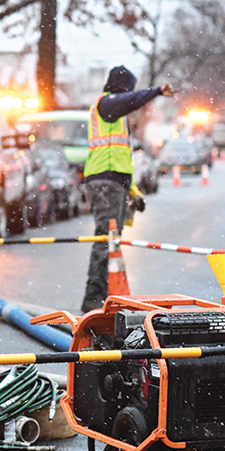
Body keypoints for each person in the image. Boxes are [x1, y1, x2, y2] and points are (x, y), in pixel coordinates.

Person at [82, 66, 173, 311]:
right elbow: (128, 100)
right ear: (122, 87)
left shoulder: (116, 116)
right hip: (104, 182)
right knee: (107, 238)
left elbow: (122, 159)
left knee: (111, 239)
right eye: (129, 89)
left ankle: (105, 295)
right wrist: (155, 92)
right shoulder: (107, 105)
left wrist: (133, 192)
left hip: (113, 183)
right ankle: (94, 297)